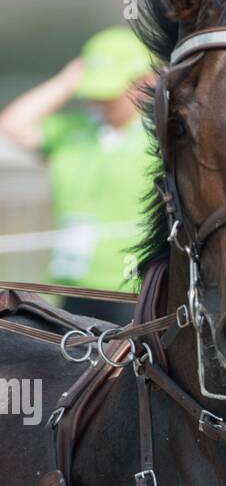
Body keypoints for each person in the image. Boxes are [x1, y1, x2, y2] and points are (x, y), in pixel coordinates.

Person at [0, 26, 155, 323]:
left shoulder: (161, 138)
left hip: (135, 291)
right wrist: (68, 80)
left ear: (144, 81)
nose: (101, 100)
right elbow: (12, 125)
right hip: (72, 286)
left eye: (110, 91)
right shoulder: (73, 130)